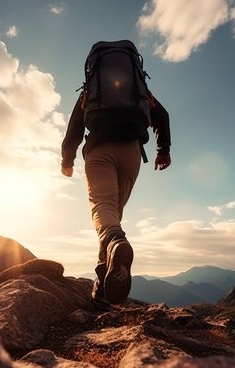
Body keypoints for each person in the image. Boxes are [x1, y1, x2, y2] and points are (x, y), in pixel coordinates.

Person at [61, 41, 171, 310]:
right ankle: (102, 287)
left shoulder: (91, 92)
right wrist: (163, 151)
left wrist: (67, 160)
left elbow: (74, 128)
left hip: (100, 150)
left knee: (103, 209)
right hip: (131, 152)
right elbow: (163, 116)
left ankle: (115, 245)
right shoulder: (140, 91)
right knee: (114, 217)